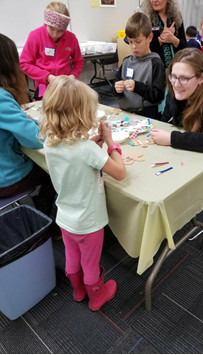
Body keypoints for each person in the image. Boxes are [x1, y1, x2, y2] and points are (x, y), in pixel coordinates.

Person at [39, 75, 126, 311]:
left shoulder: (49, 142)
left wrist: (93, 146)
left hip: (65, 217)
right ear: (81, 115)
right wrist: (110, 142)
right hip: (89, 221)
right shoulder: (87, 148)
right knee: (90, 262)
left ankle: (78, 291)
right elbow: (119, 172)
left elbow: (75, 160)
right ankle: (97, 296)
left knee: (72, 256)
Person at [0, 33, 56, 217]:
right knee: (54, 168)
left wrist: (28, 121)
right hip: (7, 178)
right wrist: (55, 129)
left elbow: (18, 126)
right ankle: (49, 216)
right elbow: (35, 139)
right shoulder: (2, 97)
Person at [150, 48, 203, 153]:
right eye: (173, 76)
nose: (176, 84)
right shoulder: (175, 89)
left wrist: (172, 139)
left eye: (184, 78)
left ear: (201, 78)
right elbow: (166, 120)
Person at [20, 1, 84, 100]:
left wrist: (73, 76)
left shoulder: (71, 38)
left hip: (65, 87)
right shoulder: (35, 36)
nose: (55, 34)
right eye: (51, 28)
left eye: (60, 31)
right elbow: (24, 63)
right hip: (44, 88)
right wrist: (47, 77)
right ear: (46, 23)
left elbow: (79, 61)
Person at [114, 12, 165, 119]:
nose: (133, 47)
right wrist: (117, 89)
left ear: (150, 37)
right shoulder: (127, 61)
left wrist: (137, 86)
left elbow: (157, 96)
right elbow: (116, 85)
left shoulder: (155, 63)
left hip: (146, 114)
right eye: (130, 41)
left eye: (138, 42)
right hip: (125, 112)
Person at [140, 0, 187, 69]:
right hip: (154, 69)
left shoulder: (176, 16)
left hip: (176, 69)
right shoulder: (145, 18)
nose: (154, 1)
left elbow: (184, 46)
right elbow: (142, 47)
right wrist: (161, 39)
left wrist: (174, 40)